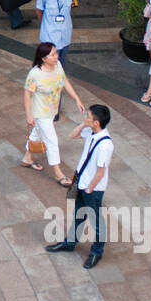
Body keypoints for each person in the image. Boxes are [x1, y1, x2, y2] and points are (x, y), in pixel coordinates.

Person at [44, 104, 114, 269]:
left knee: (96, 222)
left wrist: (90, 188)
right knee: (78, 215)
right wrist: (84, 124)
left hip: (92, 188)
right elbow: (72, 135)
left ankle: (97, 251)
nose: (85, 118)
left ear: (96, 122)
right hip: (82, 182)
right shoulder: (91, 132)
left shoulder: (105, 145)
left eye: (88, 117)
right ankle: (69, 243)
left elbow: (101, 171)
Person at [20, 41, 87, 188]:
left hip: (51, 111)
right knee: (52, 142)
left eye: (56, 53)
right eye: (53, 55)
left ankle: (27, 158)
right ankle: (58, 174)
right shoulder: (35, 74)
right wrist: (29, 116)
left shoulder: (58, 66)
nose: (56, 56)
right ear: (43, 58)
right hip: (40, 113)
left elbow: (64, 81)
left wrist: (77, 99)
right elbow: (27, 95)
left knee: (37, 135)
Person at [35, 0, 77, 76]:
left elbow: (70, 5)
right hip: (50, 35)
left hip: (65, 33)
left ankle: (59, 80)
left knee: (61, 63)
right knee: (49, 65)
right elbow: (39, 11)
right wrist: (45, 24)